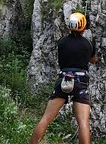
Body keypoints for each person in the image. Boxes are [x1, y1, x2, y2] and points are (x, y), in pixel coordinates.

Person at [30, 12, 98, 144]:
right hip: (80, 82)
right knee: (83, 123)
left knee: (46, 119)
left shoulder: (62, 42)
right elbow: (93, 59)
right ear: (83, 26)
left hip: (64, 80)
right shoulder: (88, 44)